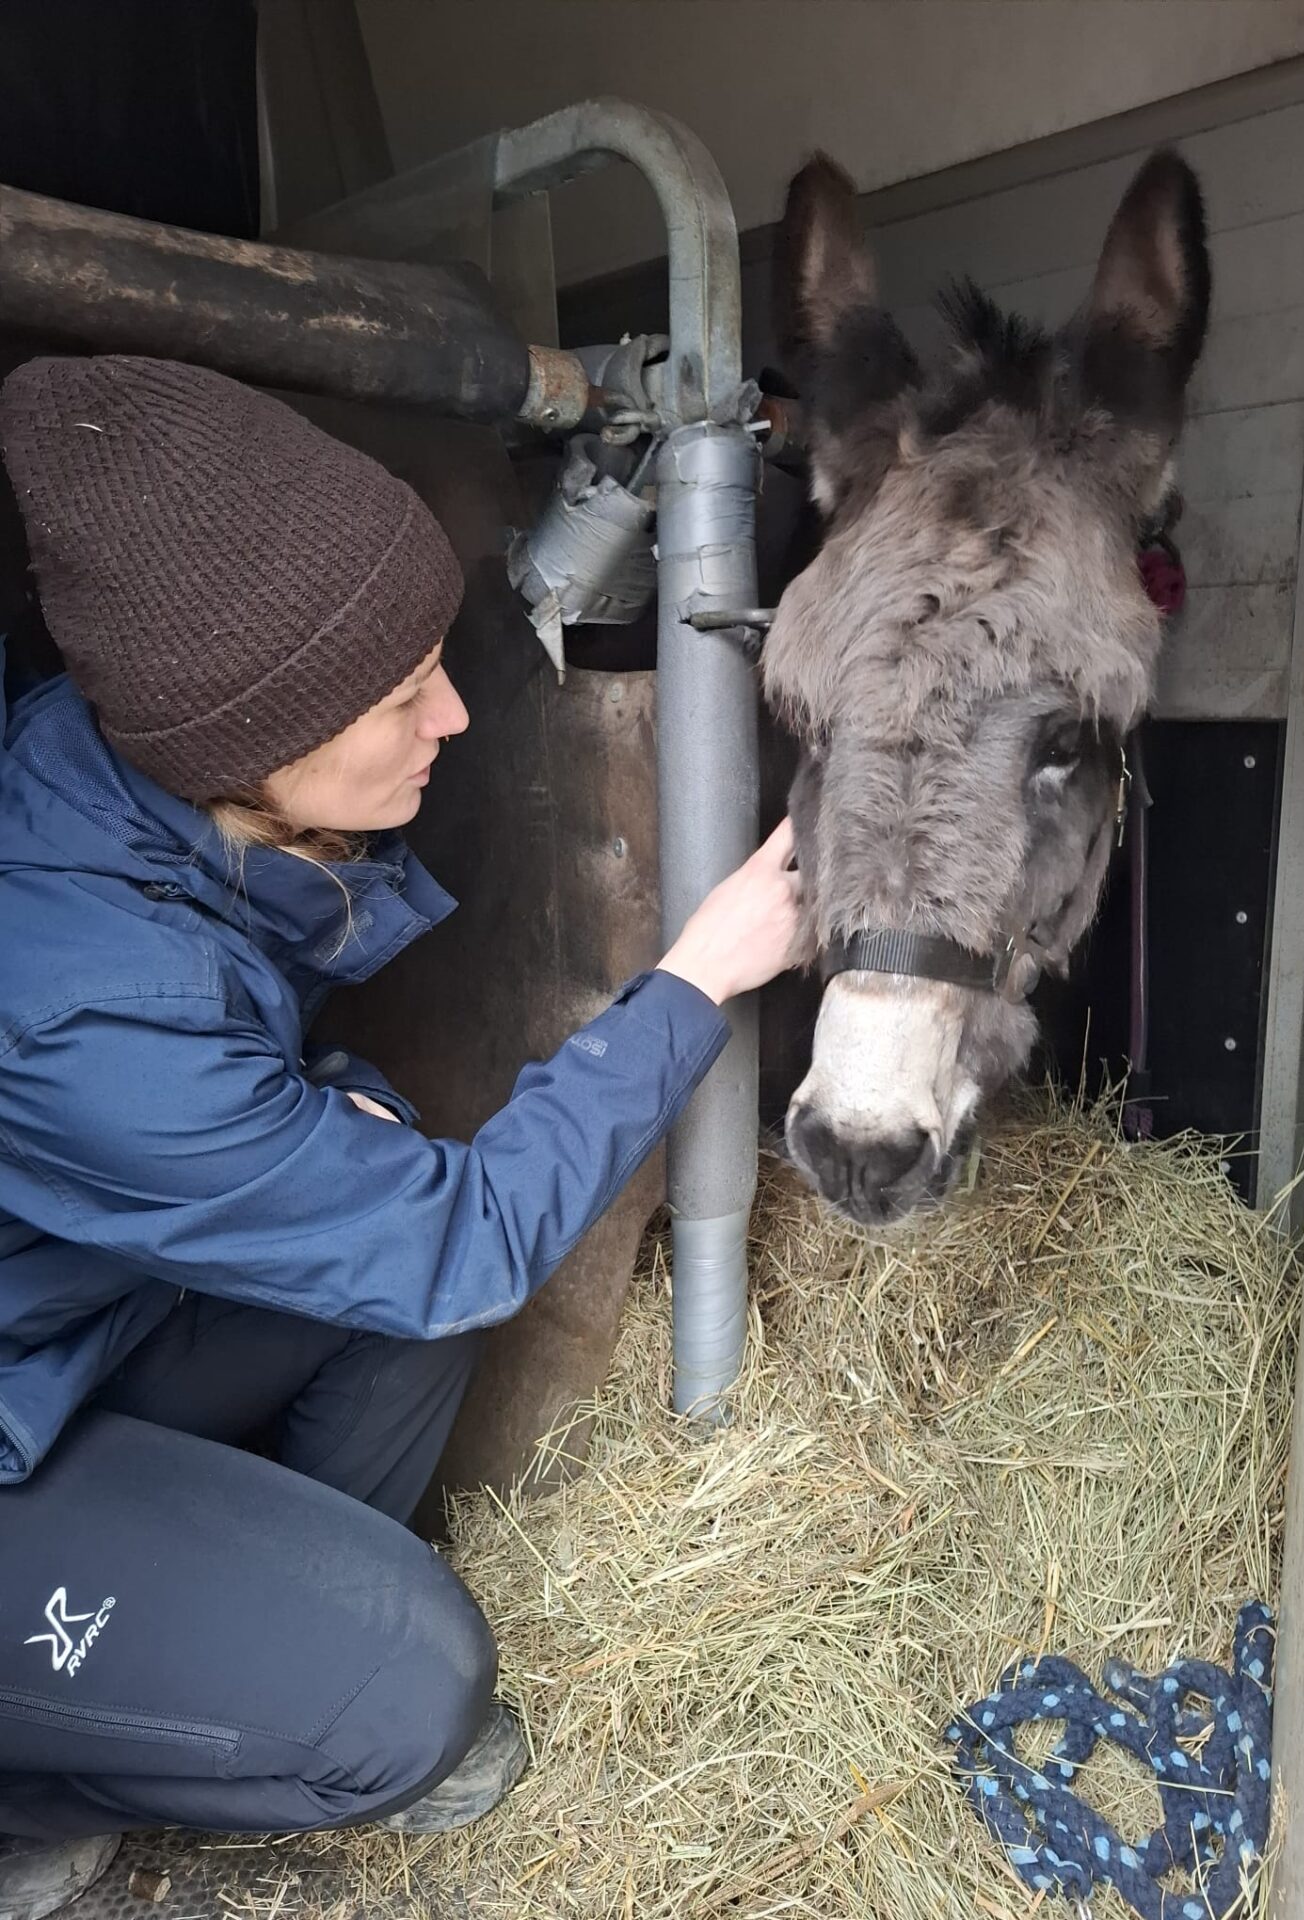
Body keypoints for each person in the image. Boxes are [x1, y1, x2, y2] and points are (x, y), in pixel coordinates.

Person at [0, 355, 804, 1920]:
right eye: (396, 696)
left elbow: (409, 1249)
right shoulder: (80, 1005)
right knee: (419, 1700)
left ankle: (248, 1614)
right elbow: (454, 1234)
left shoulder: (150, 796)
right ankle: (61, 1759)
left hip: (62, 1334)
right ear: (251, 744)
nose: (450, 712)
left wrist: (328, 1130)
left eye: (434, 661)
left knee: (399, 1292)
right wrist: (696, 978)